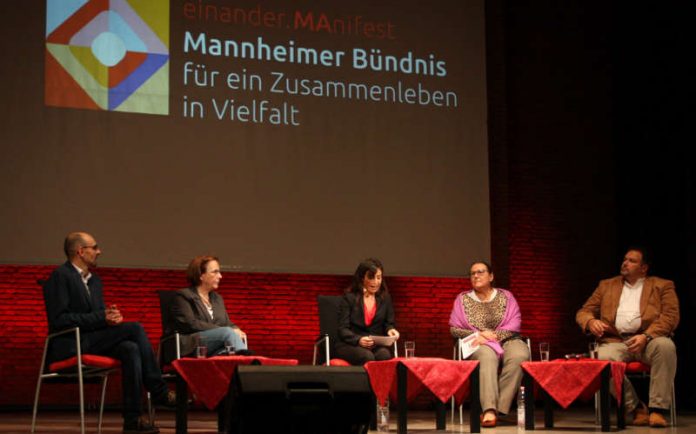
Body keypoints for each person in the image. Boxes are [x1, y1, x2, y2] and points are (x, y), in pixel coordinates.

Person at [43, 232, 174, 434]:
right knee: (136, 328)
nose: (99, 251)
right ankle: (159, 391)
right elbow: (59, 320)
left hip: (92, 339)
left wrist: (111, 319)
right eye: (94, 247)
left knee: (130, 348)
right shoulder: (60, 276)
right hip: (70, 342)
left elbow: (98, 317)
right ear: (80, 251)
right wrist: (101, 317)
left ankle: (132, 420)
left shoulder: (95, 281)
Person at [576, 247, 679, 428]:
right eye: (625, 259)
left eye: (632, 261)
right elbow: (584, 311)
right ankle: (636, 407)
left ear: (644, 268)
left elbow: (671, 316)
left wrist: (646, 336)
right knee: (600, 360)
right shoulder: (606, 285)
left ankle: (657, 409)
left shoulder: (662, 285)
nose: (625, 263)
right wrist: (590, 321)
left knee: (666, 347)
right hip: (616, 341)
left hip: (649, 340)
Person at [449, 261, 529, 428]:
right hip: (477, 341)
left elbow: (515, 323)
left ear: (491, 276)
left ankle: (500, 407)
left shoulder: (506, 296)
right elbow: (454, 329)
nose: (476, 276)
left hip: (507, 338)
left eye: (480, 272)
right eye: (472, 273)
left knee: (520, 355)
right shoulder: (462, 299)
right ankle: (489, 409)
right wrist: (477, 334)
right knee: (488, 356)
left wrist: (493, 336)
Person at [166, 255, 248, 360]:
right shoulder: (183, 296)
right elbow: (190, 323)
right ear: (201, 275)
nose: (220, 276)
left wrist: (237, 329)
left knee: (228, 351)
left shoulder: (217, 298)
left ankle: (241, 366)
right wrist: (226, 331)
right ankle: (247, 363)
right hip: (192, 344)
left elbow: (226, 322)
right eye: (215, 272)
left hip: (214, 347)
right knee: (228, 333)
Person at [335, 258, 400, 365]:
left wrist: (391, 330)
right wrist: (358, 340)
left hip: (374, 345)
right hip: (350, 344)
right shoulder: (349, 298)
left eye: (379, 277)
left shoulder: (385, 298)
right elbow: (343, 329)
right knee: (366, 356)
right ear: (362, 278)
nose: (376, 281)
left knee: (385, 355)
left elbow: (389, 324)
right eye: (371, 277)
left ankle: (381, 382)